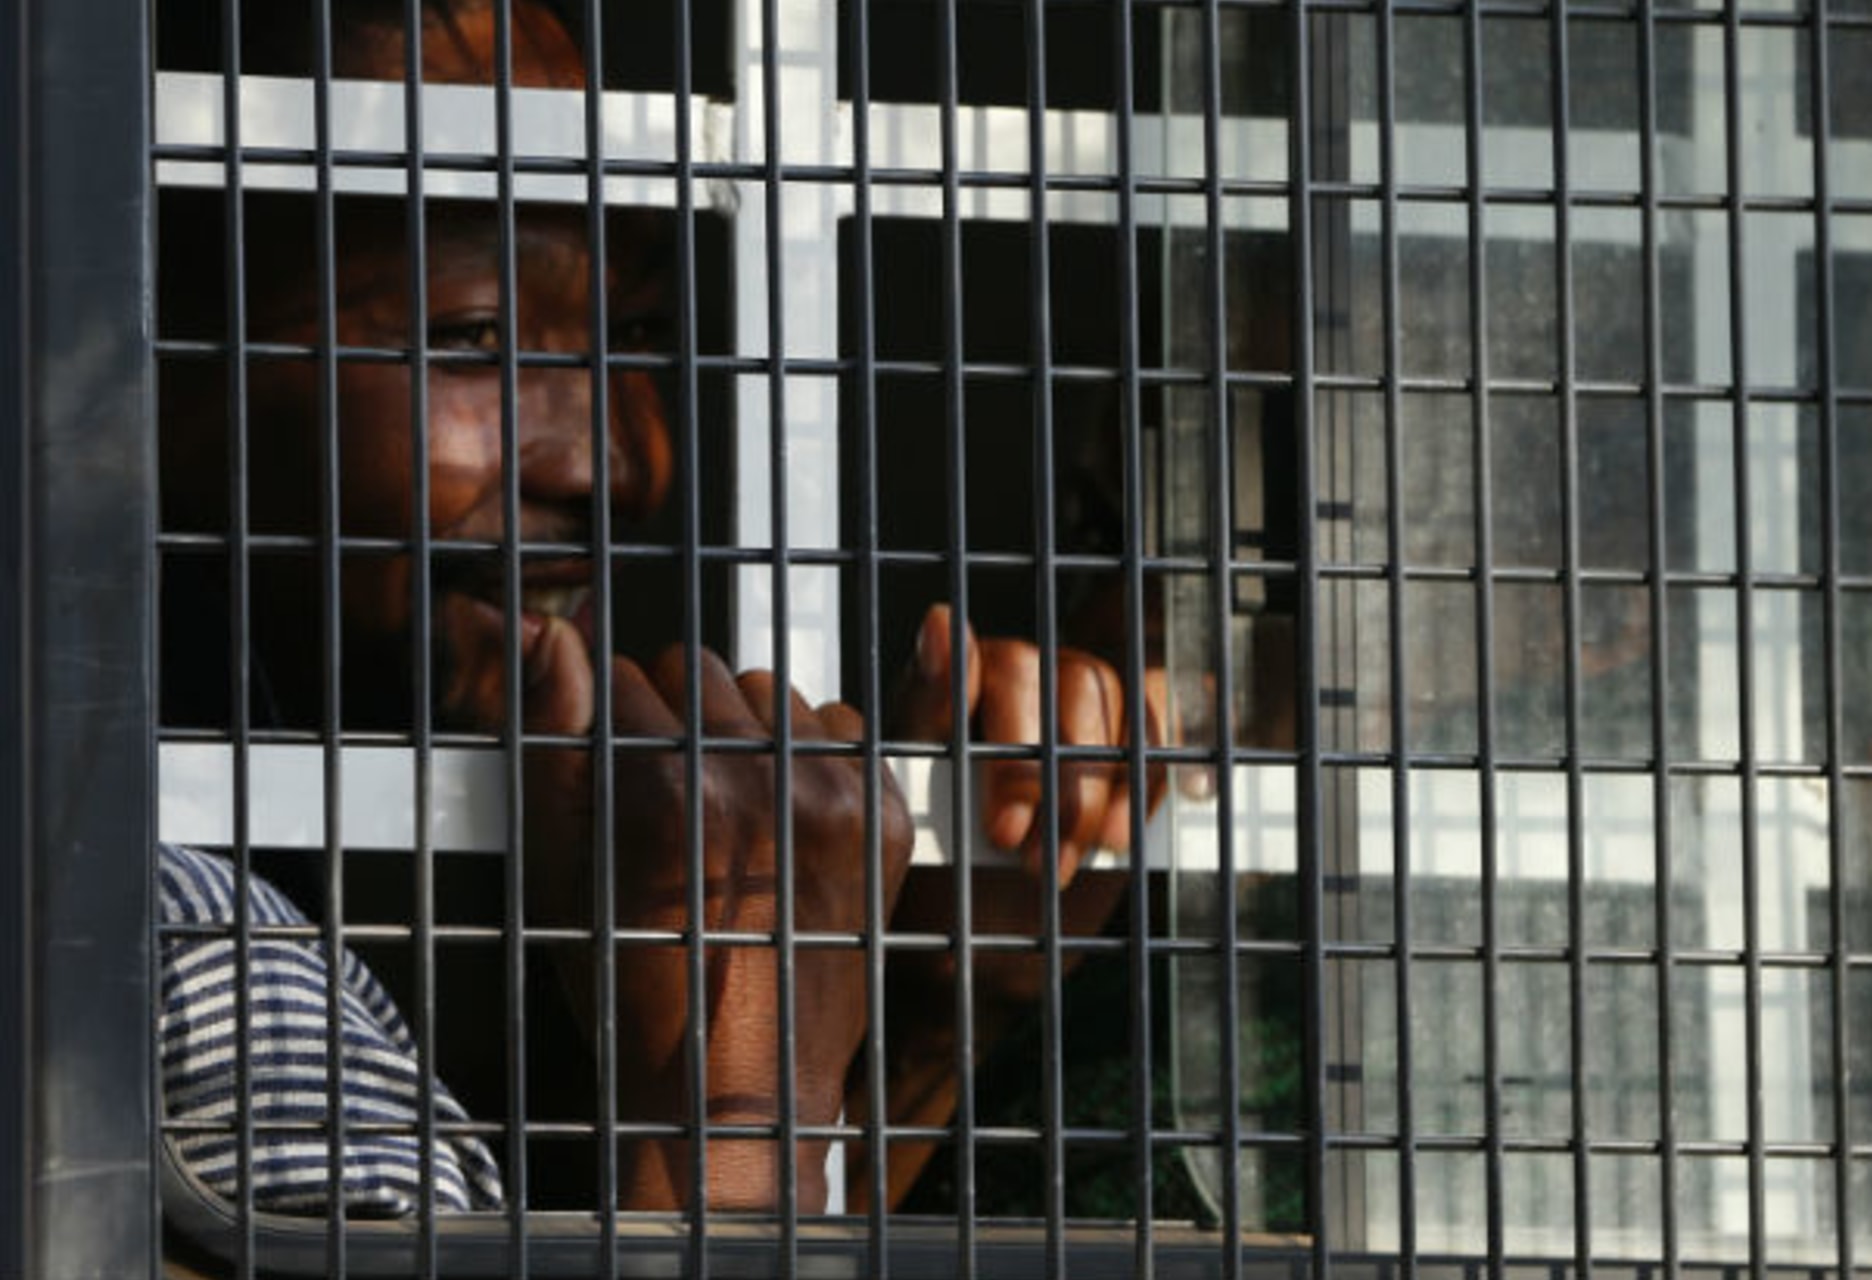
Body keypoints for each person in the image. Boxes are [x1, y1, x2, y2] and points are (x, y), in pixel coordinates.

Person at [158, 0, 1163, 1215]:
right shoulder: (164, 924)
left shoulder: (507, 828)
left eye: (633, 333)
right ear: (158, 353)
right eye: (474, 337)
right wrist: (737, 1082)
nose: (609, 463)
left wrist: (937, 1007)